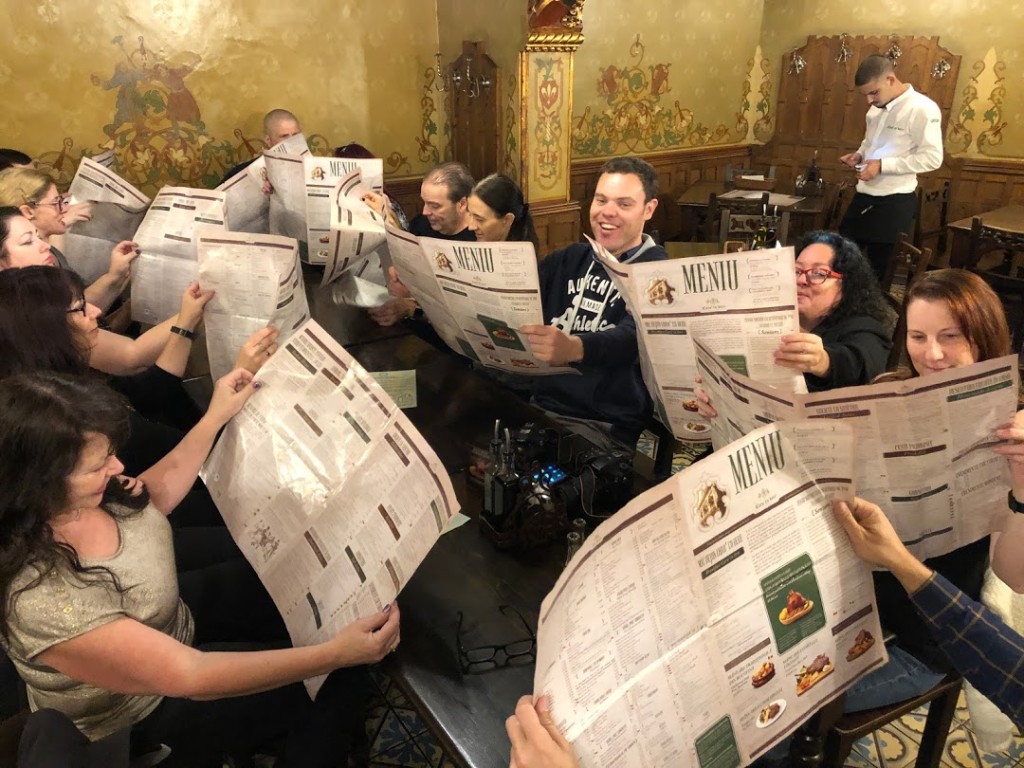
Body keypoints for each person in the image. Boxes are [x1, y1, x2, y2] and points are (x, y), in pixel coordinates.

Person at [0, 371, 401, 767]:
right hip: (143, 715)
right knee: (340, 679)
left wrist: (215, 416)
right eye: (97, 465)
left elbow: (150, 498)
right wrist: (334, 655)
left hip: (169, 618)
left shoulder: (72, 501)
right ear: (37, 482)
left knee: (301, 586)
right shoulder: (41, 598)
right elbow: (192, 675)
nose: (118, 466)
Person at [833, 497, 1024, 730]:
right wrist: (896, 559)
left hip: (914, 652)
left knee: (790, 720)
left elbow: (1015, 577)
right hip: (861, 621)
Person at [522, 155, 667, 451]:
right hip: (538, 406)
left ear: (648, 209)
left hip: (602, 423)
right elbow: (516, 291)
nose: (607, 212)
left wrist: (575, 348)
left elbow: (632, 337)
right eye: (601, 200)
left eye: (624, 204)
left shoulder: (659, 274)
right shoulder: (570, 258)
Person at [696, 230, 892, 422]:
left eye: (818, 273)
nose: (800, 280)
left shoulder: (863, 325)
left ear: (846, 285)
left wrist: (824, 361)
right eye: (797, 270)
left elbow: (863, 362)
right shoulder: (769, 317)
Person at [838, 54, 943, 280]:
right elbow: (870, 142)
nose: (869, 100)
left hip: (894, 201)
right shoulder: (875, 108)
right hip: (864, 194)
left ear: (891, 79)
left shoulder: (922, 108)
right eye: (865, 95)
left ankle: (875, 315)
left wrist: (883, 165)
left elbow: (933, 158)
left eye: (873, 92)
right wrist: (859, 155)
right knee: (841, 262)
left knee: (878, 274)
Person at [0, 172, 135, 312]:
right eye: (56, 203)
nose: (65, 209)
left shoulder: (48, 248)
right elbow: (70, 316)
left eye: (62, 201)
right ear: (28, 211)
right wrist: (113, 277)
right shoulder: (25, 277)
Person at [366, 161, 475, 327]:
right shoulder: (421, 224)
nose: (425, 211)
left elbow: (465, 313)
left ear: (462, 204)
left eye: (435, 206)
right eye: (424, 202)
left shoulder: (478, 240)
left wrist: (411, 304)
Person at [221, 108, 303, 182]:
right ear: (268, 140)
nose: (292, 141)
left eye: (296, 135)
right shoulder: (242, 172)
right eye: (284, 136)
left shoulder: (310, 166)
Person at [467, 173, 540, 251]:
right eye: (470, 215)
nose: (471, 227)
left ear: (507, 219)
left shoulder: (521, 259)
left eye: (480, 220)